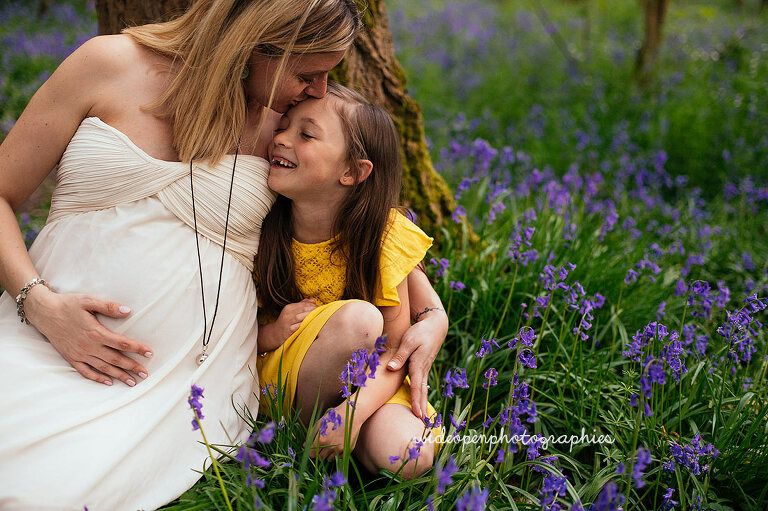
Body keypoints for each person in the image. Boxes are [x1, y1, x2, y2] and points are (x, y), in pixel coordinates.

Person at [0, 1, 365, 509]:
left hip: (179, 382)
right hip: (42, 335)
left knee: (44, 493)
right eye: (308, 74)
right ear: (255, 44)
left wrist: (430, 314)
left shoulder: (286, 130)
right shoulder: (107, 64)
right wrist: (39, 305)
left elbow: (366, 210)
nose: (319, 92)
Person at [256, 82, 444, 479]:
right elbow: (231, 330)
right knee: (359, 321)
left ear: (352, 172)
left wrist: (355, 410)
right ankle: (299, 439)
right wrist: (272, 334)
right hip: (288, 376)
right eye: (284, 126)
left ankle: (343, 430)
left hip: (371, 379)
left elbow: (392, 351)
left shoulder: (382, 235)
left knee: (408, 456)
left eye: (305, 134)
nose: (282, 139)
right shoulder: (257, 224)